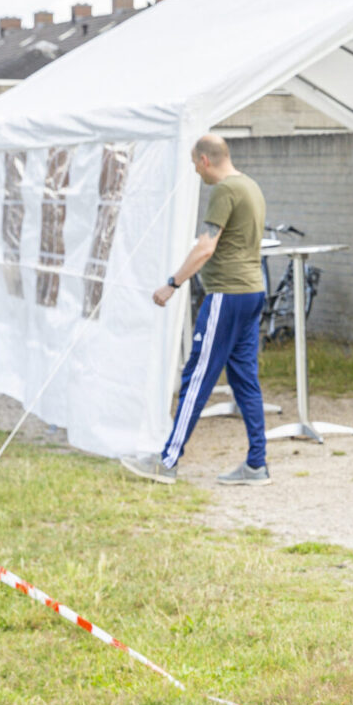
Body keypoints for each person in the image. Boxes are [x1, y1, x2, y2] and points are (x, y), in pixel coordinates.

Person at [121, 134, 273, 487]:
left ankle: (167, 461)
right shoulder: (251, 185)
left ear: (205, 160)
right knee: (245, 380)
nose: (195, 171)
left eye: (194, 164)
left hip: (227, 295)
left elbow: (206, 247)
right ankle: (256, 464)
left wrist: (172, 283)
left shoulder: (224, 191)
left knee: (196, 378)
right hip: (252, 291)